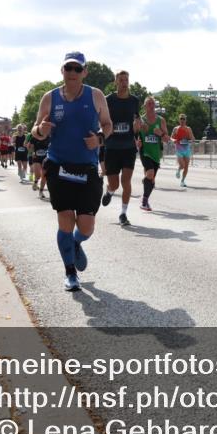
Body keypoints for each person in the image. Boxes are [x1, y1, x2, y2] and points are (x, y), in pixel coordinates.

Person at [32, 51, 112, 292]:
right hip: (59, 165)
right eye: (69, 68)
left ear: (84, 72)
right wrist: (41, 130)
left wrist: (99, 139)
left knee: (86, 227)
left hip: (87, 167)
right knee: (65, 220)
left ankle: (76, 243)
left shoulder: (95, 95)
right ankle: (70, 273)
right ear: (62, 71)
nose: (73, 73)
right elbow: (36, 130)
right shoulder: (50, 98)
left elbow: (107, 124)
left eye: (78, 69)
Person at [101, 71, 141, 225]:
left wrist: (137, 127)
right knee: (115, 184)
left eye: (126, 80)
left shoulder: (134, 100)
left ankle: (123, 214)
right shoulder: (108, 100)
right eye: (121, 80)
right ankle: (110, 191)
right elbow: (101, 120)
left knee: (126, 181)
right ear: (116, 82)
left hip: (128, 147)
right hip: (112, 147)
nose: (124, 83)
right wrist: (104, 131)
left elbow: (136, 120)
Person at [136, 96, 167, 212]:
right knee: (150, 173)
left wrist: (161, 134)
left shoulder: (161, 120)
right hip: (145, 151)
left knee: (151, 180)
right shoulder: (140, 120)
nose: (151, 105)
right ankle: (144, 202)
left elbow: (167, 139)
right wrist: (137, 141)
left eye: (153, 103)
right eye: (149, 103)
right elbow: (134, 134)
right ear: (144, 106)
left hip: (156, 153)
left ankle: (146, 195)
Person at [172, 114, 195, 188]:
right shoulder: (176, 128)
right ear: (179, 120)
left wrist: (191, 139)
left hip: (187, 149)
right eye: (181, 119)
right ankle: (178, 170)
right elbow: (171, 137)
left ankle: (182, 181)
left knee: (186, 167)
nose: (182, 120)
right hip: (179, 149)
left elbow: (192, 138)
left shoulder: (188, 129)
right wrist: (173, 140)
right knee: (182, 165)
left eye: (183, 119)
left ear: (185, 120)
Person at [27, 129, 50, 198]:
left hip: (46, 158)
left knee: (44, 176)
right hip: (36, 157)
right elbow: (28, 146)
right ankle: (36, 182)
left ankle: (41, 191)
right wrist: (32, 152)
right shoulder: (34, 138)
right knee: (38, 175)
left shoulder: (49, 138)